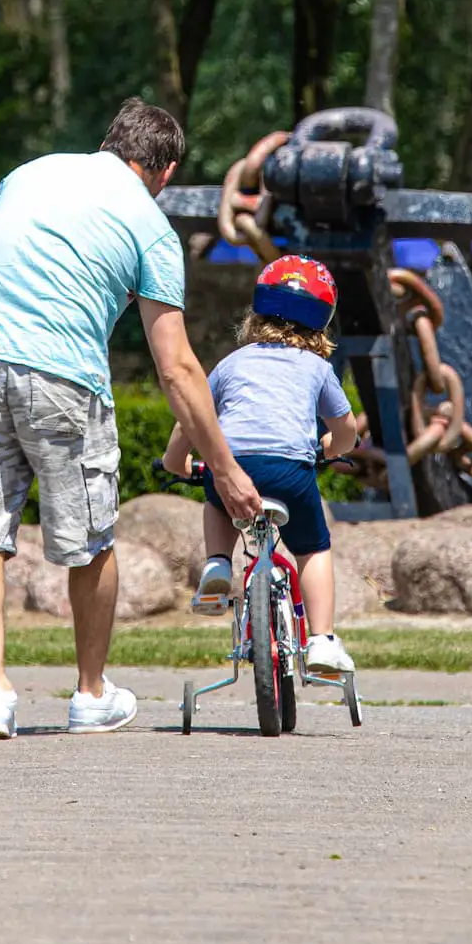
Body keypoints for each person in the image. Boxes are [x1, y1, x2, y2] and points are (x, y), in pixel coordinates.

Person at [0, 98, 261, 740]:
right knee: (89, 539)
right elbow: (178, 369)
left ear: (110, 144)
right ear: (162, 173)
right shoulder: (151, 228)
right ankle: (90, 694)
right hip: (61, 373)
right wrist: (224, 470)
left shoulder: (29, 173)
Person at [162, 254, 363, 677]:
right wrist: (328, 450)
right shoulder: (317, 367)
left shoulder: (231, 364)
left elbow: (194, 416)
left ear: (257, 313)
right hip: (290, 470)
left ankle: (218, 562)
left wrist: (178, 463)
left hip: (231, 464)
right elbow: (346, 431)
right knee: (312, 548)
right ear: (322, 321)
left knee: (218, 496)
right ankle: (322, 640)